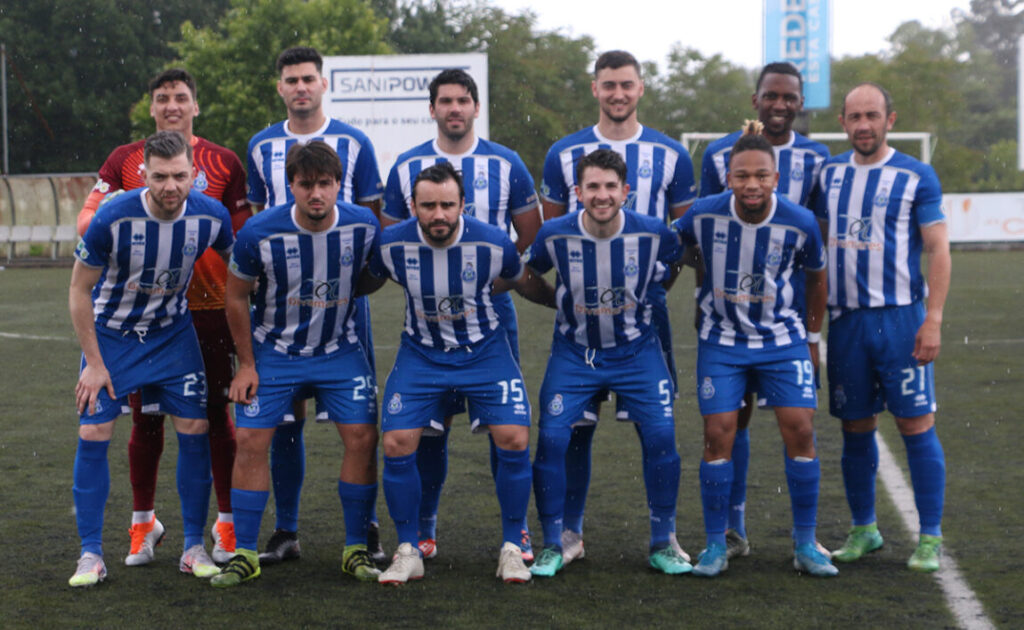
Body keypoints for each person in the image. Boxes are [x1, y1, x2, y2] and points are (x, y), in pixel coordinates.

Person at [77, 68, 249, 566]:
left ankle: (212, 533)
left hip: (198, 317)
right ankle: (118, 538)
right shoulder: (121, 175)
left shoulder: (221, 173)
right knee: (130, 424)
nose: (170, 185)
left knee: (209, 419)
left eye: (181, 96)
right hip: (119, 325)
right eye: (162, 97)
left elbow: (243, 253)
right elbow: (85, 245)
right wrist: (107, 225)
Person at [540, 50, 696, 564]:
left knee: (658, 430)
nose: (618, 93)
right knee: (573, 431)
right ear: (595, 89)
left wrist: (651, 286)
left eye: (627, 84)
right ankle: (567, 534)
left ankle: (664, 538)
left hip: (645, 320)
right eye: (609, 85)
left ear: (640, 88)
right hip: (580, 324)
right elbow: (552, 239)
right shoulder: (564, 153)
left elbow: (680, 243)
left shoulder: (671, 154)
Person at [366, 162, 554, 584]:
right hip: (422, 353)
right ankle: (409, 549)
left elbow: (521, 281)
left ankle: (512, 547)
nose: (439, 215)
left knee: (514, 436)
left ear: (462, 204)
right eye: (428, 205)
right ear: (412, 206)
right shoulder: (391, 244)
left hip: (484, 351)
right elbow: (368, 280)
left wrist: (563, 302)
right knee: (396, 441)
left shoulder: (492, 242)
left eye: (447, 205)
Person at [381, 68, 542, 561]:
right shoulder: (407, 166)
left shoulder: (506, 162)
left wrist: (489, 281)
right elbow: (391, 240)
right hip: (427, 318)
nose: (454, 108)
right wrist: (431, 283)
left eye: (463, 100)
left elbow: (529, 232)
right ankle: (424, 526)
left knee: (505, 423)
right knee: (430, 425)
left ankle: (516, 533)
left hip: (491, 312)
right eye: (445, 101)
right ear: (432, 109)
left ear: (475, 107)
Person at [211, 142, 383, 587]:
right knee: (250, 438)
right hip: (274, 351)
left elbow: (372, 276)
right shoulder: (258, 232)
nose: (316, 194)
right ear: (291, 186)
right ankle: (245, 553)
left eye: (325, 184)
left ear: (339, 185)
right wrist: (246, 365)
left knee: (363, 437)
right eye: (306, 185)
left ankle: (355, 548)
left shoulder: (364, 225)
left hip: (338, 349)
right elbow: (235, 296)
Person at [672, 123, 837, 577]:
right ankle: (716, 544)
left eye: (761, 175)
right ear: (728, 177)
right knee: (718, 433)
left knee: (800, 428)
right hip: (722, 339)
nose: (751, 184)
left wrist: (813, 338)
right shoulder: (702, 213)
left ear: (776, 178)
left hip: (782, 339)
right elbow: (671, 246)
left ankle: (805, 544)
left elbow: (817, 280)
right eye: (742, 175)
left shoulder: (800, 221)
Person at [246, 46, 386, 564]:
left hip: (343, 309)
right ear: (279, 87)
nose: (301, 87)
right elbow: (258, 218)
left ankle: (366, 528)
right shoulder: (261, 145)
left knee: (360, 423)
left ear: (323, 84)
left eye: (309, 78)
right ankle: (286, 530)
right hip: (279, 306)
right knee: (286, 420)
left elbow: (371, 223)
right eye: (291, 79)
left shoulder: (355, 142)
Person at [817, 83, 950, 573]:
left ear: (890, 120)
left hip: (900, 320)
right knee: (855, 427)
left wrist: (933, 319)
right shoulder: (829, 174)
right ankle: (864, 528)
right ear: (842, 122)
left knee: (915, 424)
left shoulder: (916, 175)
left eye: (872, 115)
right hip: (846, 322)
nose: (863, 125)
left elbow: (938, 248)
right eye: (854, 117)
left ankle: (930, 536)